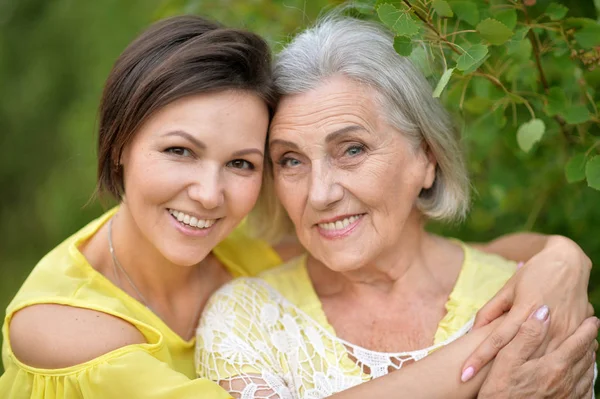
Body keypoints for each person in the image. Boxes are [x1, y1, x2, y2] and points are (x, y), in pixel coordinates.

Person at [0, 13, 594, 399]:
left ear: (427, 158)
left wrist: (563, 259)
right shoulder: (56, 327)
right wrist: (500, 351)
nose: (209, 194)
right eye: (179, 151)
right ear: (119, 147)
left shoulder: (245, 252)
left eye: (243, 163)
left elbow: (475, 259)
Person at [195, 16, 598, 398]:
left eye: (352, 149)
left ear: (427, 157)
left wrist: (562, 254)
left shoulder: (532, 295)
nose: (319, 194)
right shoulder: (249, 319)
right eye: (291, 160)